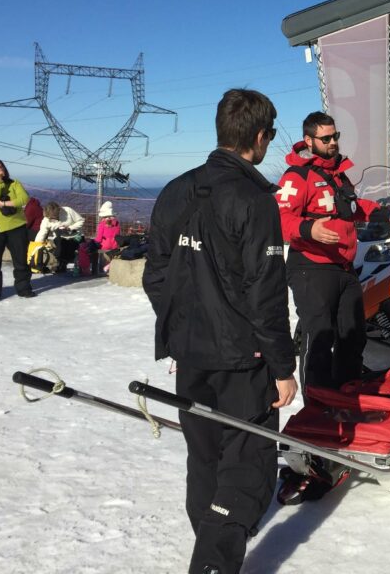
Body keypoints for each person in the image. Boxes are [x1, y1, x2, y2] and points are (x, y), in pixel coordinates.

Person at [142, 89, 297, 574]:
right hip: (240, 360)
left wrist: (183, 326)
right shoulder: (253, 199)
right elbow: (264, 294)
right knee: (246, 465)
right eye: (269, 136)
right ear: (258, 137)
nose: (269, 143)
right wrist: (282, 367)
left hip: (191, 354)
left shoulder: (175, 190)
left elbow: (157, 275)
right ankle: (213, 563)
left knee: (206, 457)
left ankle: (211, 545)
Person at [277, 111, 390, 390]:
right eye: (325, 138)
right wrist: (308, 230)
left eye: (335, 136)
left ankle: (347, 395)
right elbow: (279, 217)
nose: (333, 143)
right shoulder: (297, 176)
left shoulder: (337, 175)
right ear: (308, 140)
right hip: (311, 268)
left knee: (353, 335)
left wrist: (386, 214)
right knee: (319, 338)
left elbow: (353, 207)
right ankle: (316, 407)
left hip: (344, 267)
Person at [0, 157, 35, 301]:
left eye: (0, 167)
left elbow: (24, 199)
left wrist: (5, 203)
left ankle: (24, 289)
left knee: (21, 260)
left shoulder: (14, 183)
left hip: (16, 226)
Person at [35, 201, 85, 272]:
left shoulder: (68, 211)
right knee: (58, 246)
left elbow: (81, 220)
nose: (52, 219)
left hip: (76, 235)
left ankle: (67, 263)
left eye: (53, 217)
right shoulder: (46, 219)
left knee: (70, 246)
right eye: (50, 218)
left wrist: (70, 227)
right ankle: (60, 264)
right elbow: (42, 232)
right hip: (60, 237)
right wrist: (36, 245)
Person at [93, 201, 121, 273]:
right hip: (115, 245)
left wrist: (94, 242)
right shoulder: (117, 223)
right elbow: (118, 234)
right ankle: (110, 268)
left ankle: (100, 270)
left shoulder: (102, 224)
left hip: (105, 246)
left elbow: (99, 238)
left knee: (94, 249)